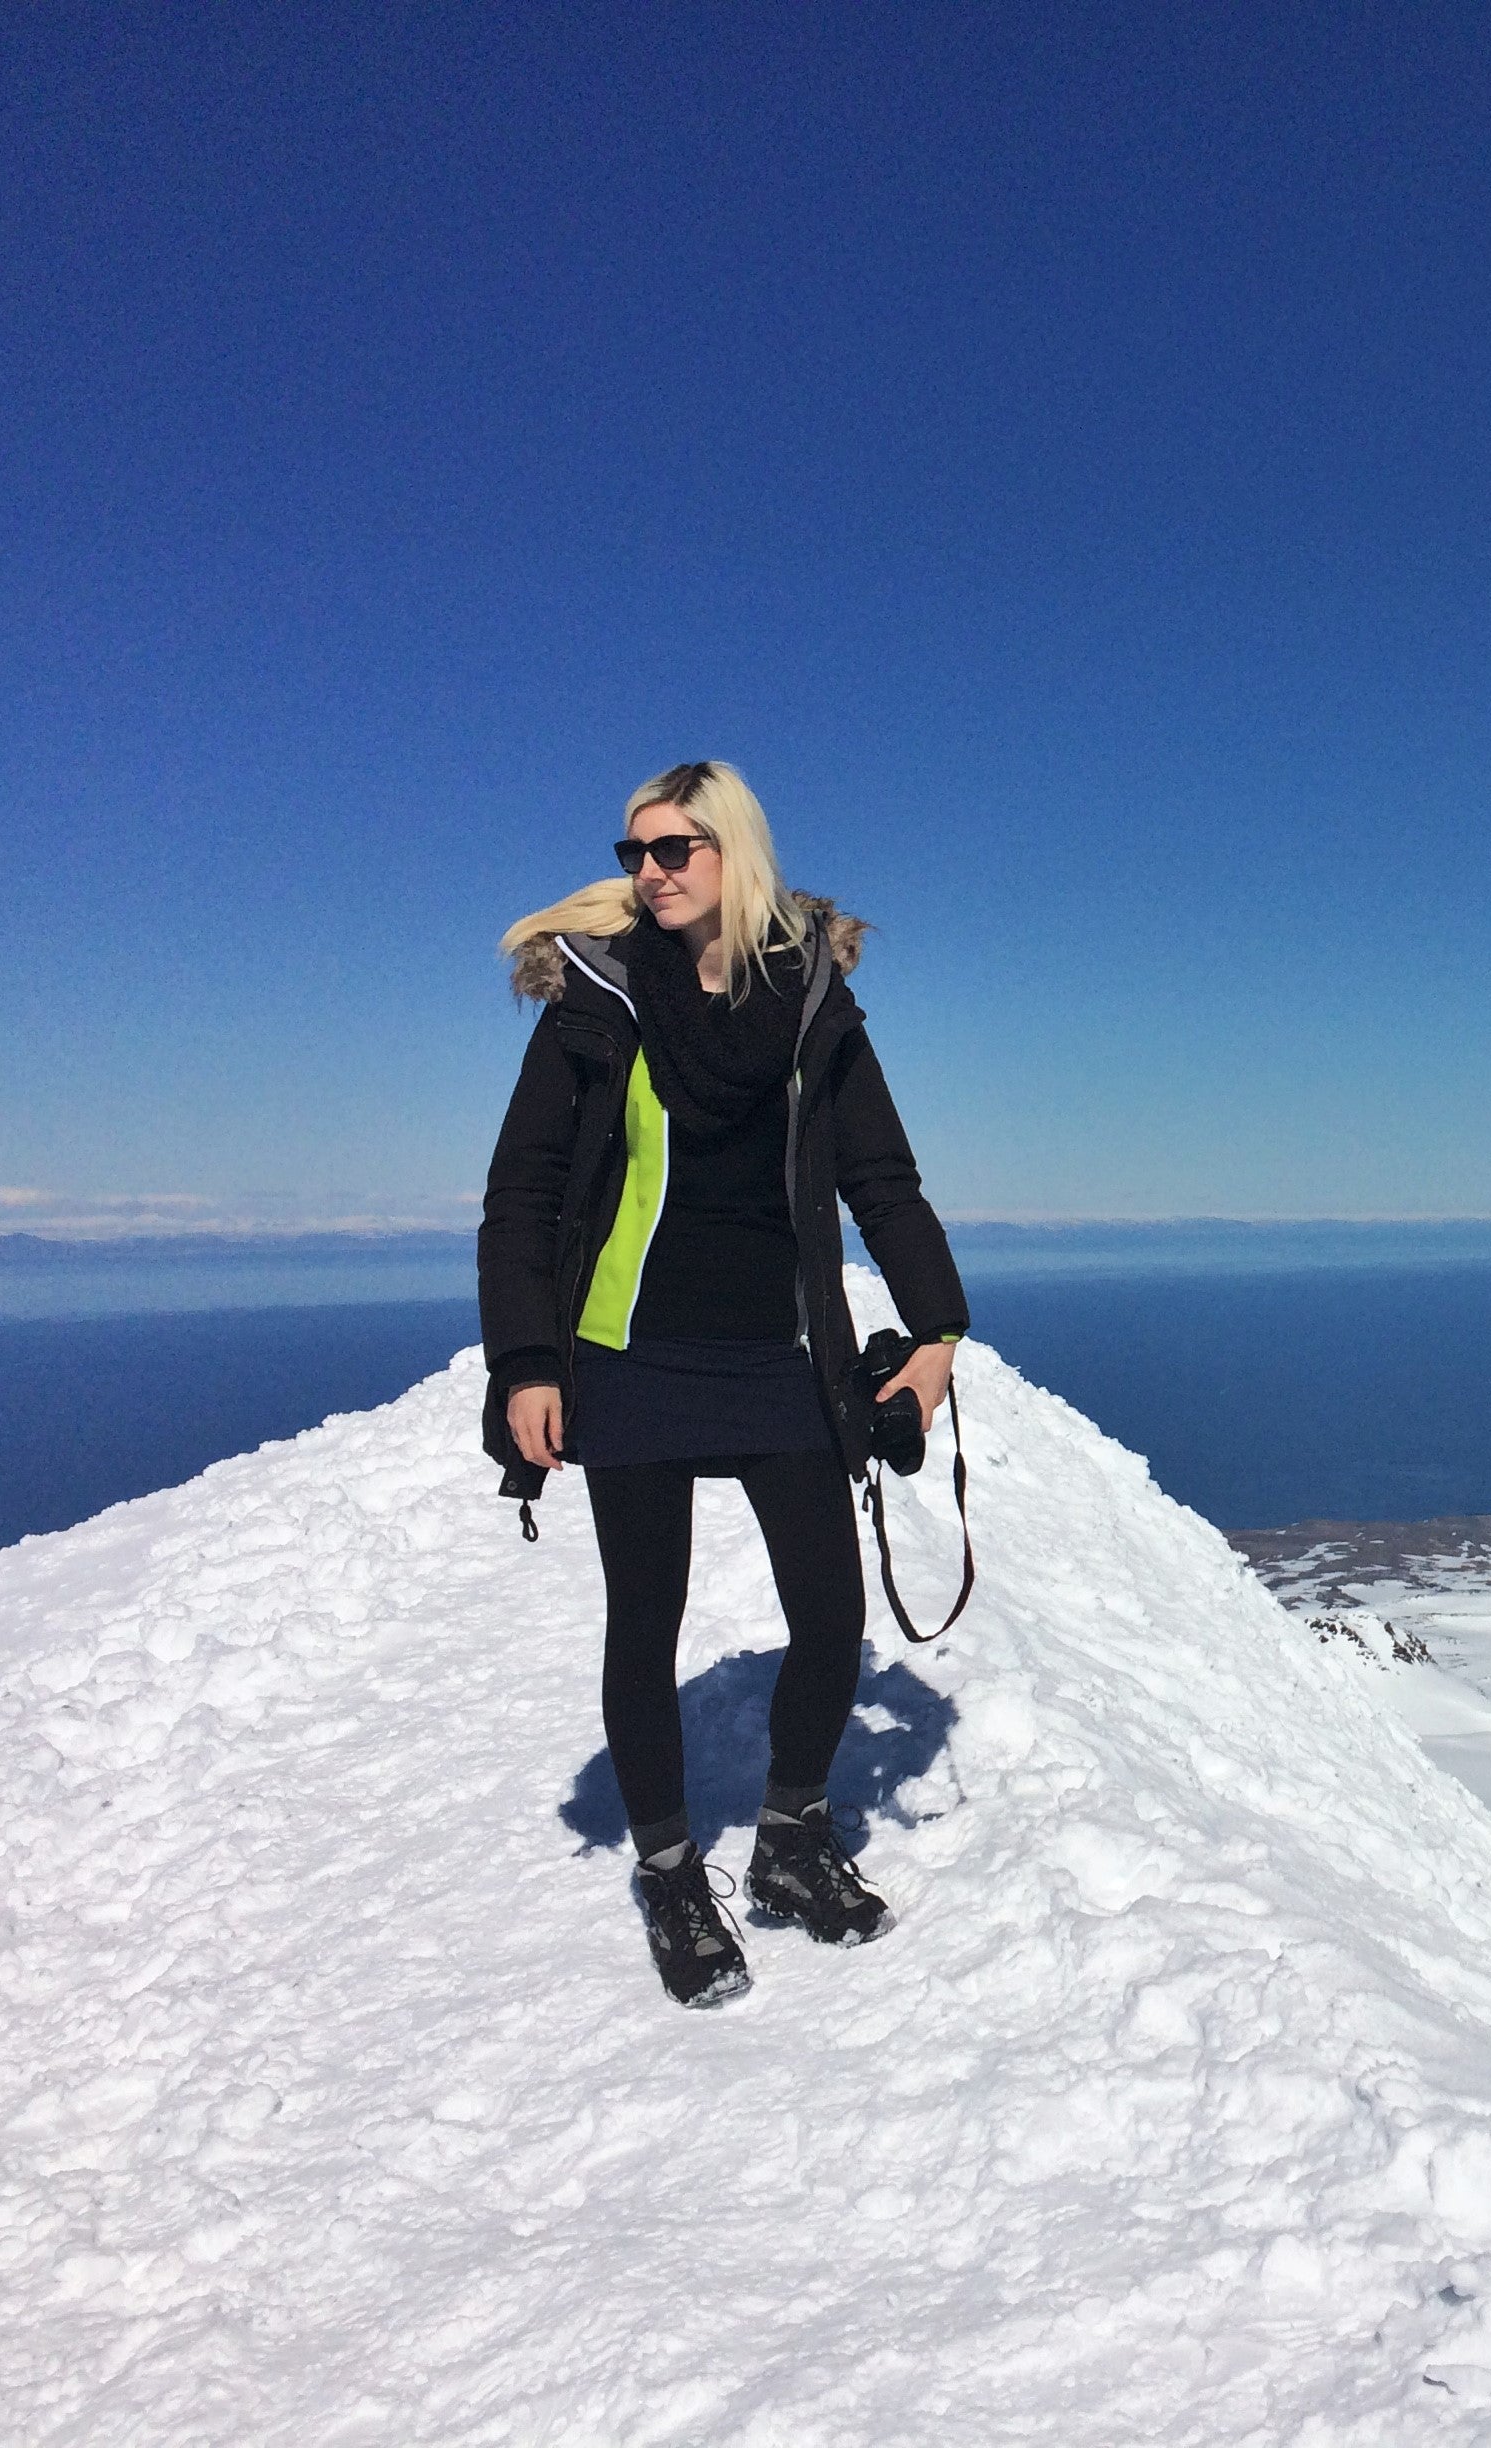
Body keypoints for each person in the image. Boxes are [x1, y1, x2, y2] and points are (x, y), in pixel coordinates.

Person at [479, 760, 967, 2008]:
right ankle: (670, 1871)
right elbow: (522, 1192)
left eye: (677, 849)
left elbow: (885, 1181)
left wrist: (940, 1327)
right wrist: (528, 1361)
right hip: (628, 1355)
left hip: (777, 1353)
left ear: (734, 853)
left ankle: (792, 1840)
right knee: (645, 1621)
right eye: (637, 850)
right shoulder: (598, 1000)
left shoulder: (810, 1006)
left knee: (831, 1611)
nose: (651, 871)